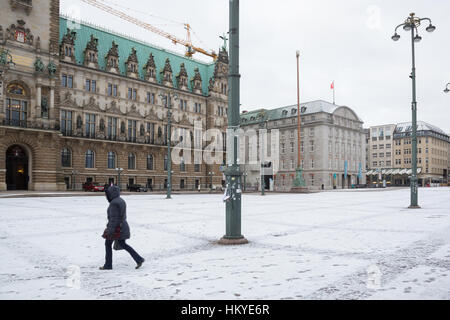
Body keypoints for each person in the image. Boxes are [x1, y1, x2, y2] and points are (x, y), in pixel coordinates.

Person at [100, 185, 145, 270]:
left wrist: (110, 231)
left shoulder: (114, 203)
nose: (106, 196)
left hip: (117, 228)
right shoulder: (120, 200)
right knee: (123, 244)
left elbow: (114, 219)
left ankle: (108, 265)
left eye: (107, 194)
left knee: (108, 244)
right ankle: (139, 259)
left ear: (111, 193)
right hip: (122, 226)